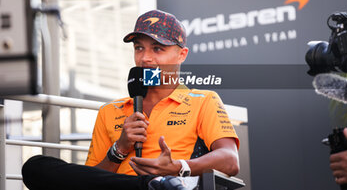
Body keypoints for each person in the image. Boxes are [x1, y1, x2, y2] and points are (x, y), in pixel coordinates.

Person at [22, 10, 240, 190]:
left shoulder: (203, 100)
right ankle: (151, 185)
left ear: (181, 55)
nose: (145, 58)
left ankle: (159, 184)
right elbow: (91, 178)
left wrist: (177, 167)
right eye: (139, 48)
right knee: (34, 166)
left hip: (178, 183)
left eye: (157, 48)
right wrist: (119, 148)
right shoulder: (110, 110)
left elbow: (230, 160)